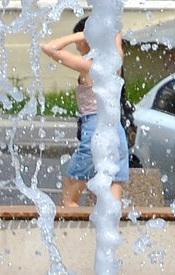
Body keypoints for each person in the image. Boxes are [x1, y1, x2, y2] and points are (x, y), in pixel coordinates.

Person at [41, 17, 130, 206]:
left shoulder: (88, 65)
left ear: (85, 41)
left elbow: (49, 48)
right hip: (117, 132)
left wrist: (80, 34)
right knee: (113, 204)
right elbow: (116, 27)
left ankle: (69, 236)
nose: (77, 48)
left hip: (95, 130)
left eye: (78, 43)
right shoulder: (115, 61)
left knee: (68, 202)